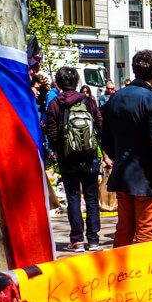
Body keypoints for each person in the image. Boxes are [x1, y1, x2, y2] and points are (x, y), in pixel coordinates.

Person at [102, 50, 152, 247]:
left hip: (124, 174)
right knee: (147, 233)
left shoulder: (115, 98)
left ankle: (119, 274)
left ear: (134, 70)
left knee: (124, 230)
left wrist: (118, 156)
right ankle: (140, 276)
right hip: (148, 178)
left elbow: (105, 138)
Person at [45, 66, 103, 251]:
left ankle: (77, 240)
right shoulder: (88, 101)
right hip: (90, 157)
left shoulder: (55, 104)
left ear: (59, 84)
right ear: (77, 82)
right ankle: (93, 240)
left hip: (67, 157)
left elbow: (51, 131)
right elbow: (100, 124)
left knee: (73, 198)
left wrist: (57, 150)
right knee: (92, 199)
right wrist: (97, 145)